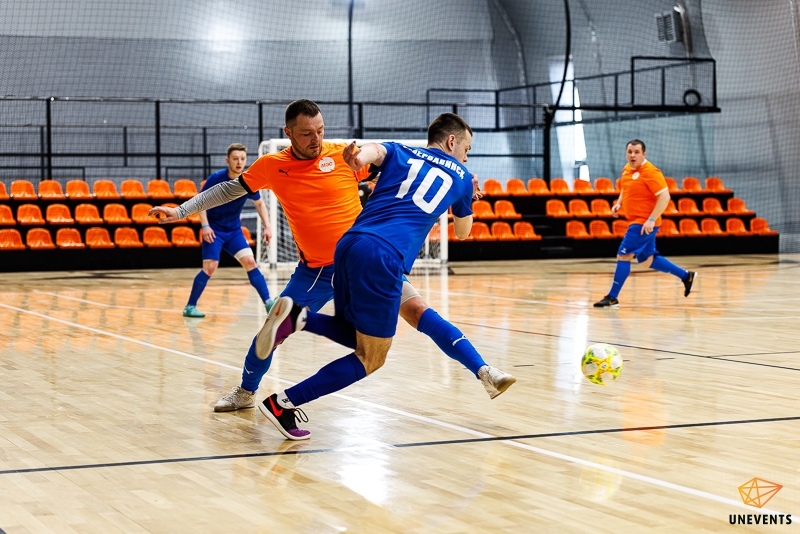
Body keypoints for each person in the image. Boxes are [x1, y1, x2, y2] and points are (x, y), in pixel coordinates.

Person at [150, 100, 515, 416]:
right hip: (318, 270)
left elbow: (395, 175)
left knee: (417, 311)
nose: (316, 139)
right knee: (272, 333)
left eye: (320, 131)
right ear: (288, 133)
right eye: (307, 133)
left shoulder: (342, 155)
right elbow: (229, 189)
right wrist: (182, 211)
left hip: (366, 261)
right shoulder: (272, 165)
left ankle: (483, 370)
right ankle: (246, 391)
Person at [254, 112, 495, 440]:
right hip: (384, 256)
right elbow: (463, 233)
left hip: (348, 245)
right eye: (466, 148)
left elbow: (373, 151)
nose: (466, 156)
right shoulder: (463, 176)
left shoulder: (401, 149)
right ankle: (283, 401)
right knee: (372, 357)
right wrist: (466, 199)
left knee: (364, 333)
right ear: (452, 141)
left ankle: (299, 318)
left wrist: (357, 159)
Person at [593, 139, 697, 308]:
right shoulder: (627, 169)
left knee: (623, 256)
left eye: (636, 152)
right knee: (647, 260)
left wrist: (651, 219)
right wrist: (619, 203)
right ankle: (686, 276)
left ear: (644, 154)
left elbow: (665, 197)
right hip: (636, 221)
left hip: (643, 223)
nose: (632, 155)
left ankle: (612, 297)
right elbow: (626, 187)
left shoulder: (651, 172)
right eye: (630, 152)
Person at [182, 143, 273, 318]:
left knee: (250, 262)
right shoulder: (216, 179)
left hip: (233, 231)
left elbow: (260, 204)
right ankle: (190, 307)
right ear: (227, 160)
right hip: (214, 230)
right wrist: (205, 226)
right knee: (210, 267)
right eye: (235, 159)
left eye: (242, 159)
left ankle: (269, 303)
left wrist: (267, 226)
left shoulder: (248, 180)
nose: (239, 162)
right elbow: (200, 202)